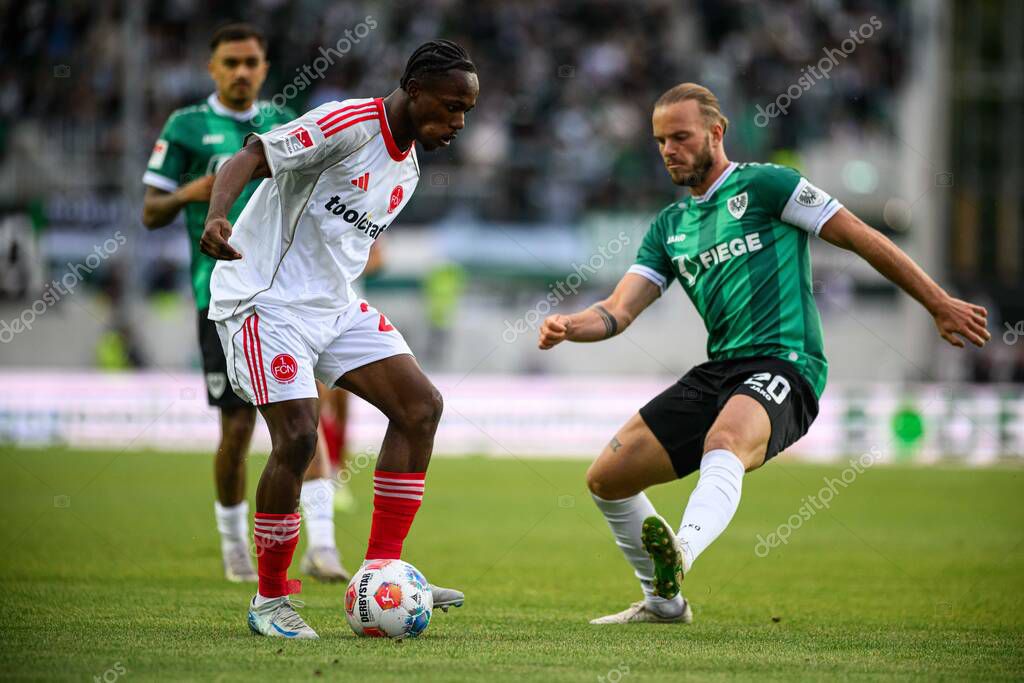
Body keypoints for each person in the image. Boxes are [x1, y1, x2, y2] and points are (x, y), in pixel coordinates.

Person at [538, 83, 991, 624]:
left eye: (680, 137)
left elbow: (860, 236)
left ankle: (682, 551)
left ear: (716, 132)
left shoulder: (769, 185)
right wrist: (571, 325)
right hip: (720, 370)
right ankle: (664, 603)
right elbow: (618, 310)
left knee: (725, 440)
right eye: (660, 141)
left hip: (787, 363)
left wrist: (938, 302)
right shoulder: (669, 227)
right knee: (607, 478)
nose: (668, 151)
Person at [200, 40, 479, 639]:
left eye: (466, 112)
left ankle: (382, 571)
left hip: (333, 306)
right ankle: (270, 600)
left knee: (420, 407)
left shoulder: (407, 169)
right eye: (452, 107)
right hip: (264, 300)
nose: (459, 123)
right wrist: (218, 214)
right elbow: (249, 156)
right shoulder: (349, 124)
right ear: (415, 90)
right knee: (299, 436)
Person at [141, 23, 347, 584]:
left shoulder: (282, 121)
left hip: (287, 294)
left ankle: (324, 546)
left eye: (250, 62)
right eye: (230, 62)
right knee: (237, 430)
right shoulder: (186, 126)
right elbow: (150, 212)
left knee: (305, 414)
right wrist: (193, 193)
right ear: (212, 68)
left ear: (264, 68)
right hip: (220, 297)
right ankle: (235, 546)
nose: (241, 72)